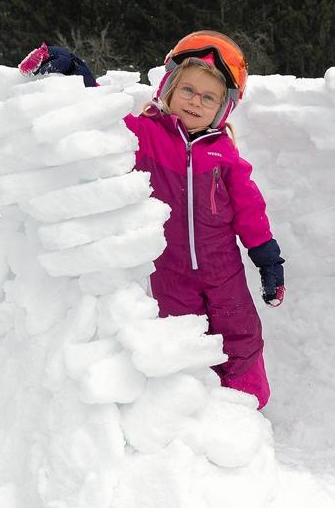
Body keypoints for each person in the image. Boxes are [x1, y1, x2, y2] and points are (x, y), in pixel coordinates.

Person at [19, 31, 283, 409]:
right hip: (168, 272)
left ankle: (248, 412)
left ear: (223, 108)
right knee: (181, 342)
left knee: (241, 335)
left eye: (209, 97)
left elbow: (249, 211)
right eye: (188, 90)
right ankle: (197, 414)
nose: (196, 102)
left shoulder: (224, 155)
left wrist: (268, 258)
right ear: (168, 89)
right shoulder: (146, 135)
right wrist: (78, 77)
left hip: (224, 270)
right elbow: (106, 124)